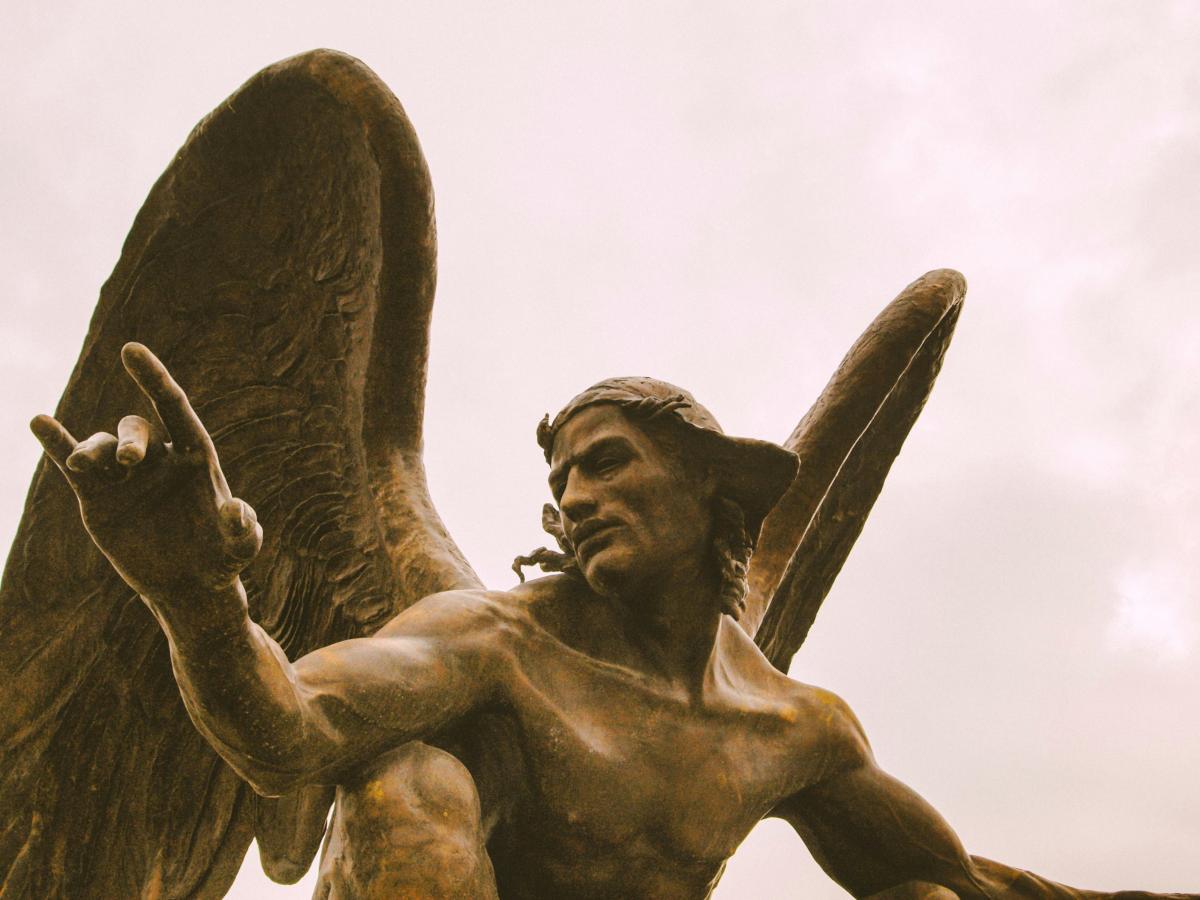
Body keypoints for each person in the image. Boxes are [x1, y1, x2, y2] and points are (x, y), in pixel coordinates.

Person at [30, 343, 1194, 899]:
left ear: (714, 491)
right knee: (410, 781)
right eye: (561, 483)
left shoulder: (791, 728)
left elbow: (975, 888)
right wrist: (189, 592)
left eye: (607, 464)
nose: (574, 500)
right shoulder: (494, 642)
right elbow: (287, 730)